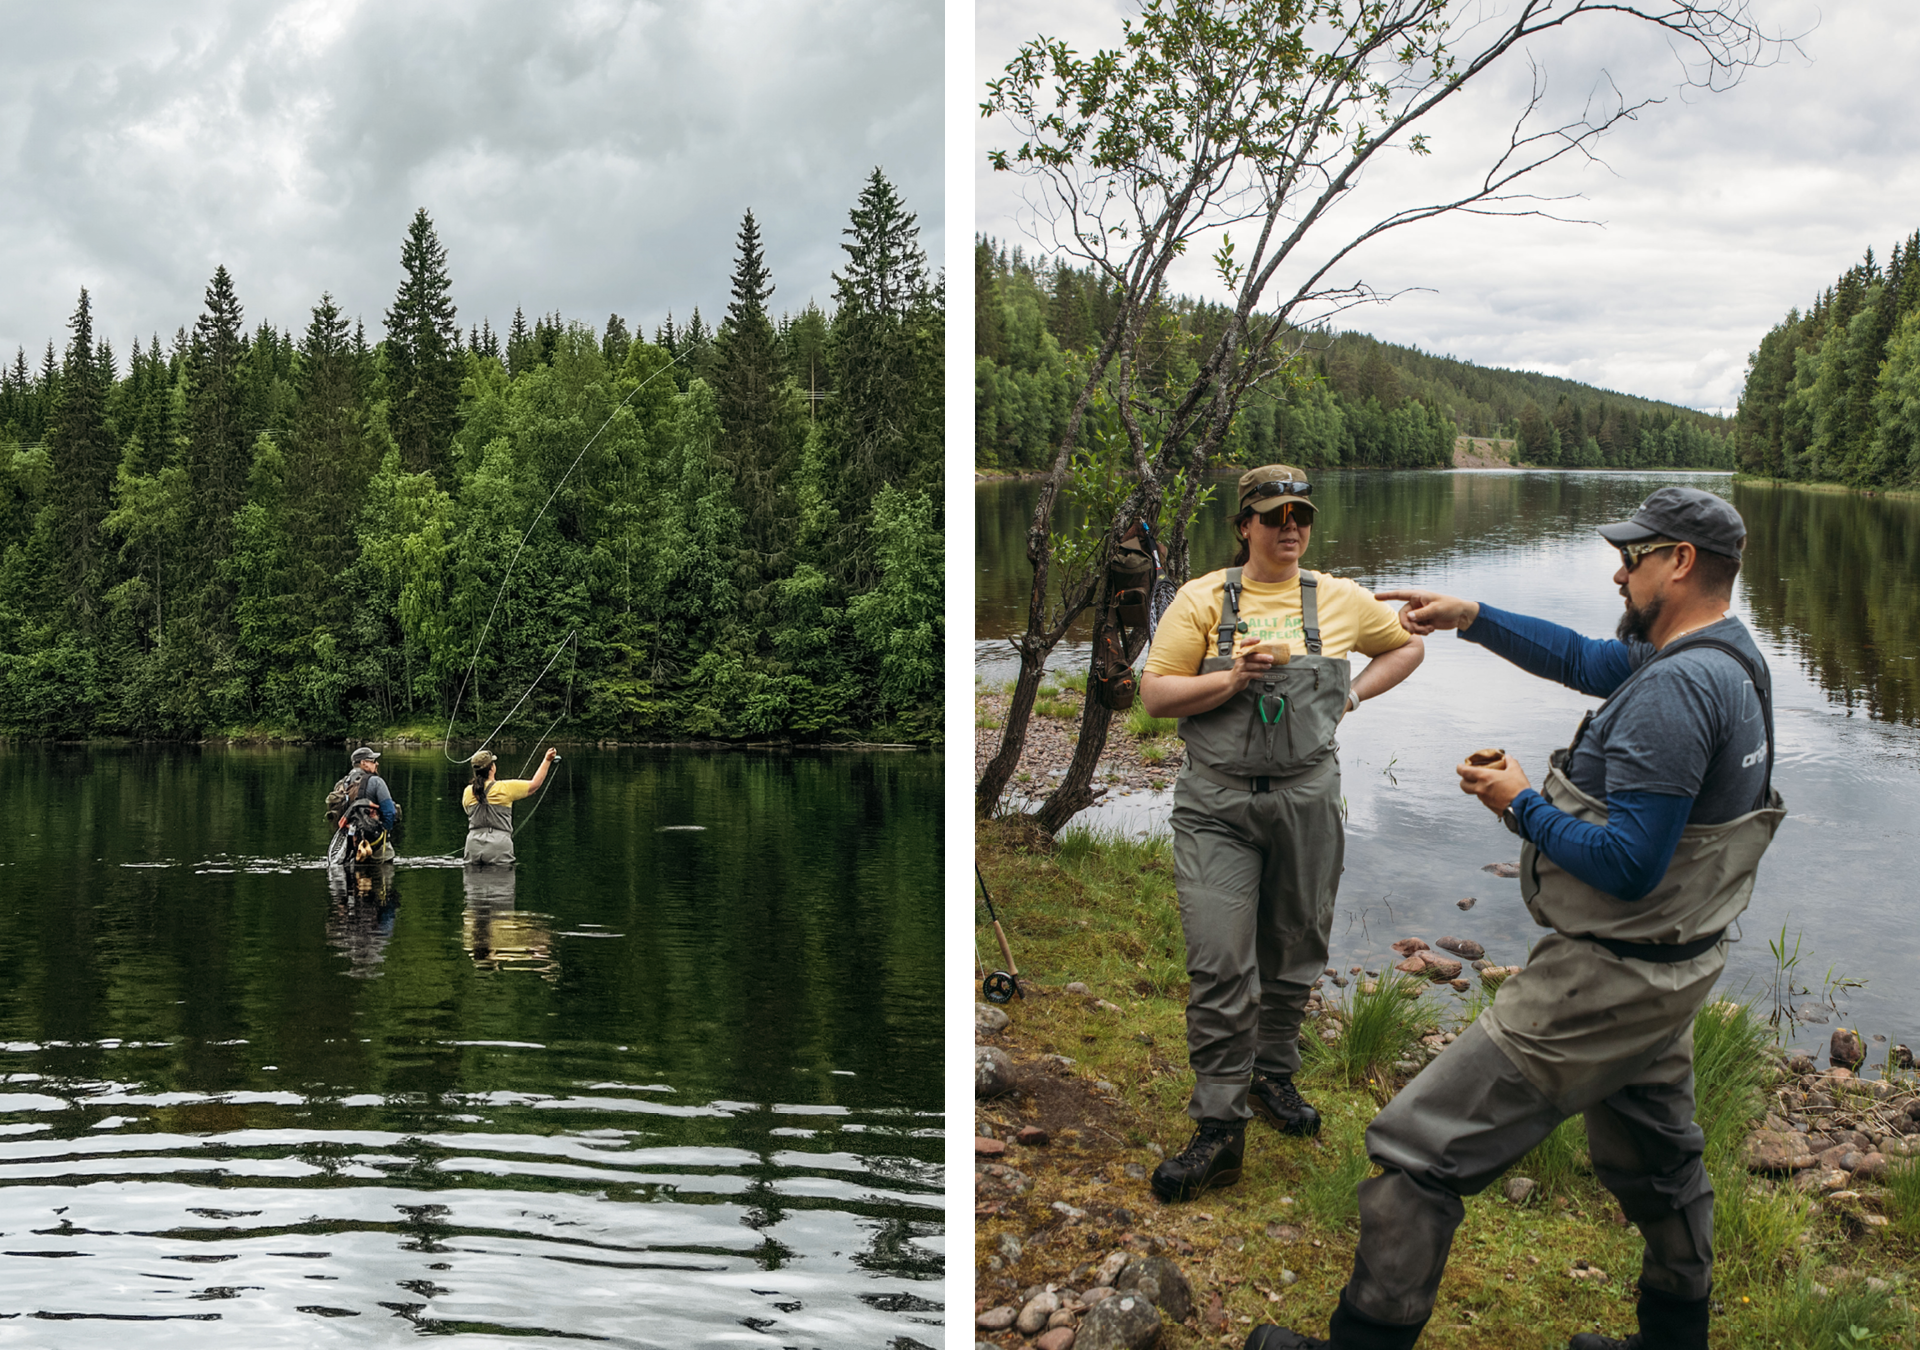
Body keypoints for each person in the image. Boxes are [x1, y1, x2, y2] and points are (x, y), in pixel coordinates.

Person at [1248, 486, 1785, 1350]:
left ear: (1679, 562)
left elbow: (1631, 866)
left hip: (1603, 977)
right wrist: (1472, 615)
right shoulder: (1730, 661)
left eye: (1635, 557)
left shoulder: (1676, 692)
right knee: (1659, 1160)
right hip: (1674, 971)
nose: (1618, 572)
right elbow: (1582, 659)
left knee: (1419, 1151)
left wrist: (1519, 803)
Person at [1138, 465, 1424, 1204]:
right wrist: (1230, 679)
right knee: (1220, 961)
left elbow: (1406, 648)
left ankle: (1273, 1077)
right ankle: (1219, 1129)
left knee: (1296, 947)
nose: (1289, 526)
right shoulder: (1201, 599)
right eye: (1272, 515)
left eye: (1299, 513)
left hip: (1307, 798)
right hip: (1217, 805)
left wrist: (1351, 698)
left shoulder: (1338, 597)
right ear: (1244, 527)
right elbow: (1157, 694)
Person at [462, 747, 559, 865]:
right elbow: (534, 785)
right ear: (492, 768)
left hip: (473, 845)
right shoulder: (505, 788)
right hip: (499, 845)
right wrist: (547, 760)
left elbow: (469, 813)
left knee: (473, 882)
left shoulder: (468, 791)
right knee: (502, 881)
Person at [328, 747, 399, 865]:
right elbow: (390, 813)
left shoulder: (341, 784)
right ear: (364, 763)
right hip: (375, 846)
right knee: (383, 875)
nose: (377, 764)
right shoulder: (376, 782)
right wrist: (379, 834)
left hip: (348, 846)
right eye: (373, 761)